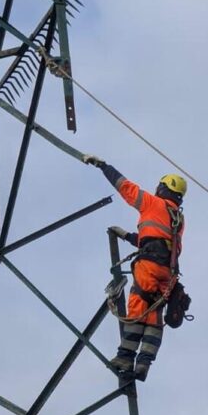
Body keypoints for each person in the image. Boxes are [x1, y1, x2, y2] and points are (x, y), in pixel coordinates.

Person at [83, 157, 187, 380]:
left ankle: (125, 356)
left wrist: (104, 166)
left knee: (139, 304)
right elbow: (160, 238)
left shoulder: (153, 203)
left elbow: (126, 187)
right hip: (168, 273)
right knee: (154, 315)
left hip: (149, 265)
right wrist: (129, 237)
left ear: (162, 188)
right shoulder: (178, 217)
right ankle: (144, 363)